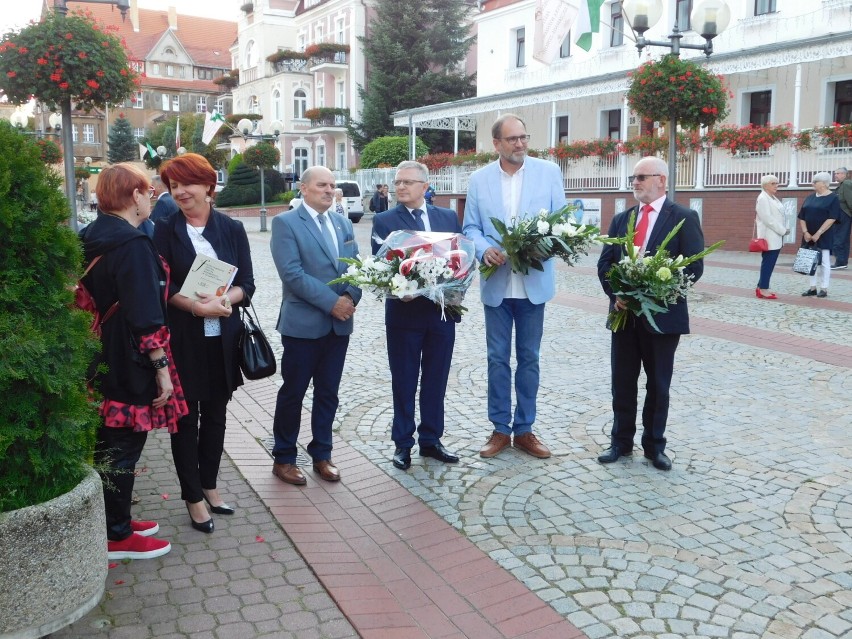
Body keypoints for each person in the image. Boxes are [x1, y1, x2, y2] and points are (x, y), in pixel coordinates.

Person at [80, 163, 188, 559]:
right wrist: (163, 373)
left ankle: (114, 520)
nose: (151, 197)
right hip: (130, 356)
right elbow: (145, 314)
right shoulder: (133, 243)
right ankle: (117, 536)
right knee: (124, 445)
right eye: (147, 191)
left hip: (104, 351)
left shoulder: (92, 235)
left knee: (110, 443)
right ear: (133, 196)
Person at [153, 153, 256, 533]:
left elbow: (248, 282)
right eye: (173, 185)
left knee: (216, 414)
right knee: (185, 419)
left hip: (223, 340)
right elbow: (163, 287)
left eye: (187, 184)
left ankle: (210, 485)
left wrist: (224, 302)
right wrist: (197, 308)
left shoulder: (230, 228)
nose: (179, 192)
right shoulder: (163, 229)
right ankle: (192, 497)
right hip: (184, 338)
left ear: (209, 186)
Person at [463, 113, 566, 460]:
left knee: (529, 358)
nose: (521, 144)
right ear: (496, 144)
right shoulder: (479, 180)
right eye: (513, 139)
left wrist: (545, 244)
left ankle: (524, 430)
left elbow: (562, 223)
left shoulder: (548, 172)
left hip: (533, 284)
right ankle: (499, 430)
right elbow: (471, 228)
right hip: (497, 285)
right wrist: (482, 249)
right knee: (496, 359)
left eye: (524, 137)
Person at [596, 156, 705, 472]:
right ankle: (620, 443)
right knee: (623, 382)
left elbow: (694, 266)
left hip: (663, 318)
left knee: (658, 385)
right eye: (633, 178)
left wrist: (655, 288)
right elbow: (605, 264)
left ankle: (654, 447)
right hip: (624, 316)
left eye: (642, 177)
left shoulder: (683, 217)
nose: (636, 183)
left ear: (662, 180)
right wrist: (616, 293)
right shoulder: (622, 219)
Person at [270, 166, 362, 485]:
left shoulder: (341, 222)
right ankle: (283, 457)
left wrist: (350, 296)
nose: (329, 190)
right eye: (322, 184)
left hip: (339, 327)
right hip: (303, 326)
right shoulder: (286, 223)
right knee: (293, 393)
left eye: (332, 185)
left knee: (328, 393)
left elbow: (357, 267)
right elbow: (293, 275)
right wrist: (332, 303)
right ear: (303, 188)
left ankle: (322, 453)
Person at [371, 161, 462, 470]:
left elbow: (459, 260)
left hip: (441, 313)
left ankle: (431, 440)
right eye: (398, 182)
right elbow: (380, 265)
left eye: (408, 182)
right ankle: (403, 444)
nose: (401, 187)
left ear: (425, 186)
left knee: (436, 380)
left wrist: (454, 286)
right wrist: (398, 287)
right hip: (404, 313)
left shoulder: (447, 217)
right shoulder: (385, 221)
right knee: (405, 380)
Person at [799, 171, 842, 298]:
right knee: (810, 260)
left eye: (815, 182)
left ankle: (824, 288)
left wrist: (819, 232)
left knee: (824, 262)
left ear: (823, 184)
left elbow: (832, 218)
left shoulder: (833, 198)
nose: (813, 184)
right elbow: (802, 216)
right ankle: (812, 288)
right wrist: (805, 232)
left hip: (824, 234)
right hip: (808, 234)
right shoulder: (810, 197)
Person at [754, 174, 788, 299]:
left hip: (776, 236)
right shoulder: (763, 198)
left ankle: (760, 286)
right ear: (765, 185)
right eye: (773, 183)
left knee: (769, 263)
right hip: (769, 236)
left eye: (777, 183)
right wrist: (782, 230)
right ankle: (763, 288)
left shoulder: (772, 197)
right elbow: (767, 219)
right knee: (768, 263)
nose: (776, 186)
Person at [830, 166, 852, 269]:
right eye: (835, 174)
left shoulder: (846, 184)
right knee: (843, 238)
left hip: (844, 214)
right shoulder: (841, 185)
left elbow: (850, 200)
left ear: (844, 174)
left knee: (839, 238)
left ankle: (840, 262)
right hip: (843, 214)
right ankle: (842, 262)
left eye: (837, 173)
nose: (835, 175)